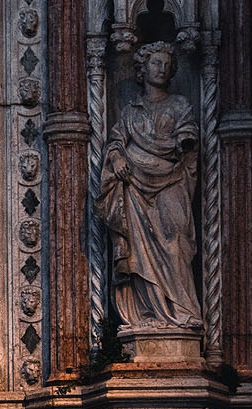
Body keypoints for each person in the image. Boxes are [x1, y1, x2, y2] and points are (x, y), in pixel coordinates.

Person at [97, 41, 202, 332]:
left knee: (176, 243)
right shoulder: (131, 111)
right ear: (143, 69)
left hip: (171, 183)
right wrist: (117, 156)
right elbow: (116, 141)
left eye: (167, 64)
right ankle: (146, 314)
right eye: (156, 63)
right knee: (138, 253)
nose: (162, 68)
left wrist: (184, 141)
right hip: (134, 187)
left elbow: (188, 131)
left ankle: (182, 311)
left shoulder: (179, 104)